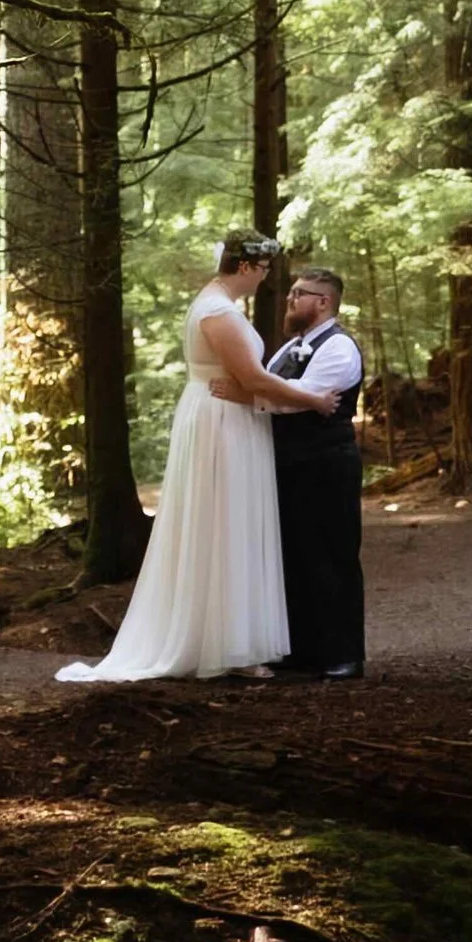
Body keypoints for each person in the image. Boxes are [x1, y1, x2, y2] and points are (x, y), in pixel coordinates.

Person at [56, 235, 337, 684]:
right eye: (263, 269)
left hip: (228, 414)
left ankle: (232, 639)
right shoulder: (218, 312)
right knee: (225, 523)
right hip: (221, 422)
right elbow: (252, 378)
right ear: (245, 266)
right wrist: (313, 399)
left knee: (230, 524)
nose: (267, 279)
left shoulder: (218, 304)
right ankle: (225, 643)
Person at [264, 263, 367, 679]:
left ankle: (343, 654)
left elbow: (293, 399)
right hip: (291, 465)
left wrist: (249, 394)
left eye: (298, 293)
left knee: (332, 553)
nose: (289, 299)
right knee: (295, 555)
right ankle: (302, 650)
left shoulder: (340, 348)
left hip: (327, 464)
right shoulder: (291, 348)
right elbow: (271, 384)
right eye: (291, 293)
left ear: (323, 302)